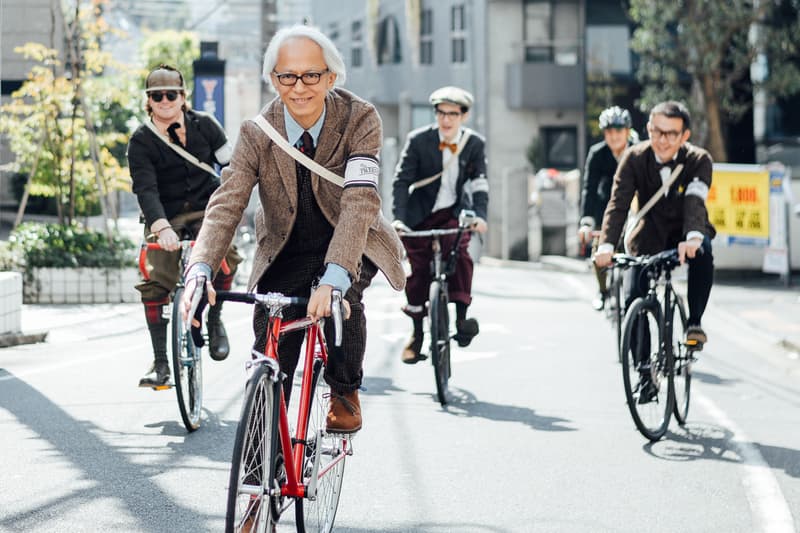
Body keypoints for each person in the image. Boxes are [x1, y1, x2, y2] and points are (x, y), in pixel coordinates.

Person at [180, 25, 405, 434]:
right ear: (273, 80)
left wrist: (335, 277)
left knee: (342, 304)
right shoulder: (256, 133)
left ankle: (343, 390)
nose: (299, 87)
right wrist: (200, 269)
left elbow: (359, 200)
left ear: (331, 77)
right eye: (287, 76)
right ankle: (262, 457)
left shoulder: (360, 118)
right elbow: (227, 203)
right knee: (271, 339)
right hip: (287, 247)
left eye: (311, 75)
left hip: (351, 239)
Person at [127, 64, 241, 388]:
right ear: (149, 101)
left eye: (171, 94)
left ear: (183, 96)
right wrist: (161, 228)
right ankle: (161, 363)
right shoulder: (141, 142)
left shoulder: (206, 126)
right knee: (154, 281)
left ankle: (215, 322)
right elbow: (145, 189)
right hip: (165, 217)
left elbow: (233, 166)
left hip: (209, 210)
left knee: (225, 260)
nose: (165, 101)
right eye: (157, 96)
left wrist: (230, 204)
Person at [594, 101, 714, 353]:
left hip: (685, 233)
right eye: (657, 132)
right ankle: (644, 370)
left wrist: (692, 236)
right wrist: (606, 245)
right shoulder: (634, 158)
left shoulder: (698, 160)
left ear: (684, 136)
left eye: (671, 134)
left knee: (703, 251)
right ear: (648, 129)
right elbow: (618, 204)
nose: (663, 140)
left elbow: (695, 200)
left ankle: (694, 323)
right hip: (647, 237)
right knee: (632, 301)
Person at [392, 86, 489, 364]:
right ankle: (417, 334)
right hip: (419, 216)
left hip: (454, 214)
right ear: (435, 114)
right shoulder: (418, 141)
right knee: (419, 271)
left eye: (453, 114)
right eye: (441, 113)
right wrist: (398, 217)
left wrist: (480, 215)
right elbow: (401, 181)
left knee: (461, 258)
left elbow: (479, 183)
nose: (446, 120)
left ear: (464, 116)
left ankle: (461, 319)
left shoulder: (474, 144)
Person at [578, 106, 635, 310]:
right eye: (609, 131)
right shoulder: (597, 154)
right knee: (598, 252)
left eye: (619, 130)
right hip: (606, 211)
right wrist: (586, 222)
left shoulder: (638, 150)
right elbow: (589, 189)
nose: (614, 136)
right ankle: (603, 291)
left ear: (628, 131)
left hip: (635, 210)